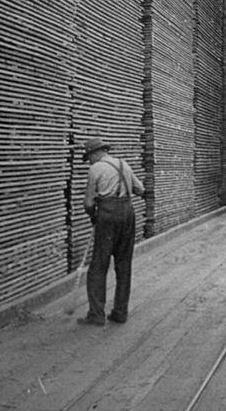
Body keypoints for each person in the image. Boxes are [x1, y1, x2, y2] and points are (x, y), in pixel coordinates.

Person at [77, 136, 145, 326]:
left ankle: (96, 315)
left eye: (89, 156)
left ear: (96, 153)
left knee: (98, 266)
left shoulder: (95, 168)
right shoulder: (124, 164)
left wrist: (93, 215)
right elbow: (140, 190)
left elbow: (88, 203)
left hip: (107, 216)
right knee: (123, 265)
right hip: (127, 214)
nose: (88, 160)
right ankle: (120, 312)